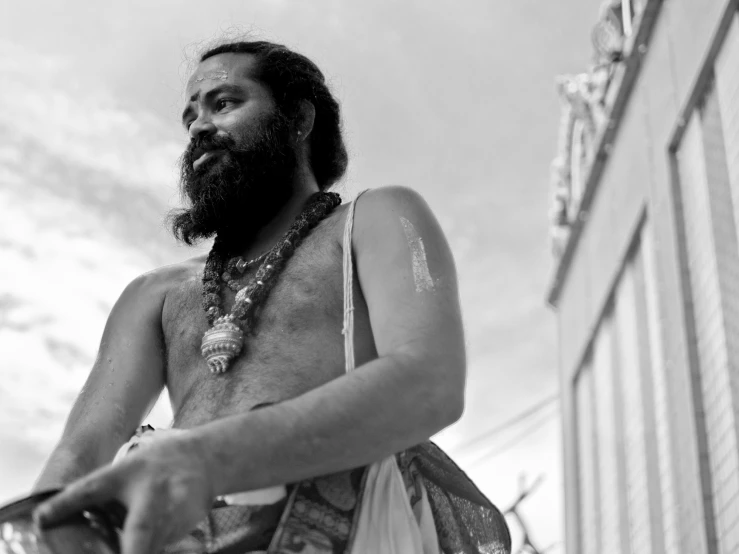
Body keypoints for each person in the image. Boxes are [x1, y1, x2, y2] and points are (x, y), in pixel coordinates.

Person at [31, 40, 511, 554]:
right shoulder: (154, 296)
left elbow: (429, 381)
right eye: (190, 116)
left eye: (224, 102)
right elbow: (78, 456)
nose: (198, 127)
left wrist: (206, 460)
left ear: (299, 119)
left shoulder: (375, 220)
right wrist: (47, 526)